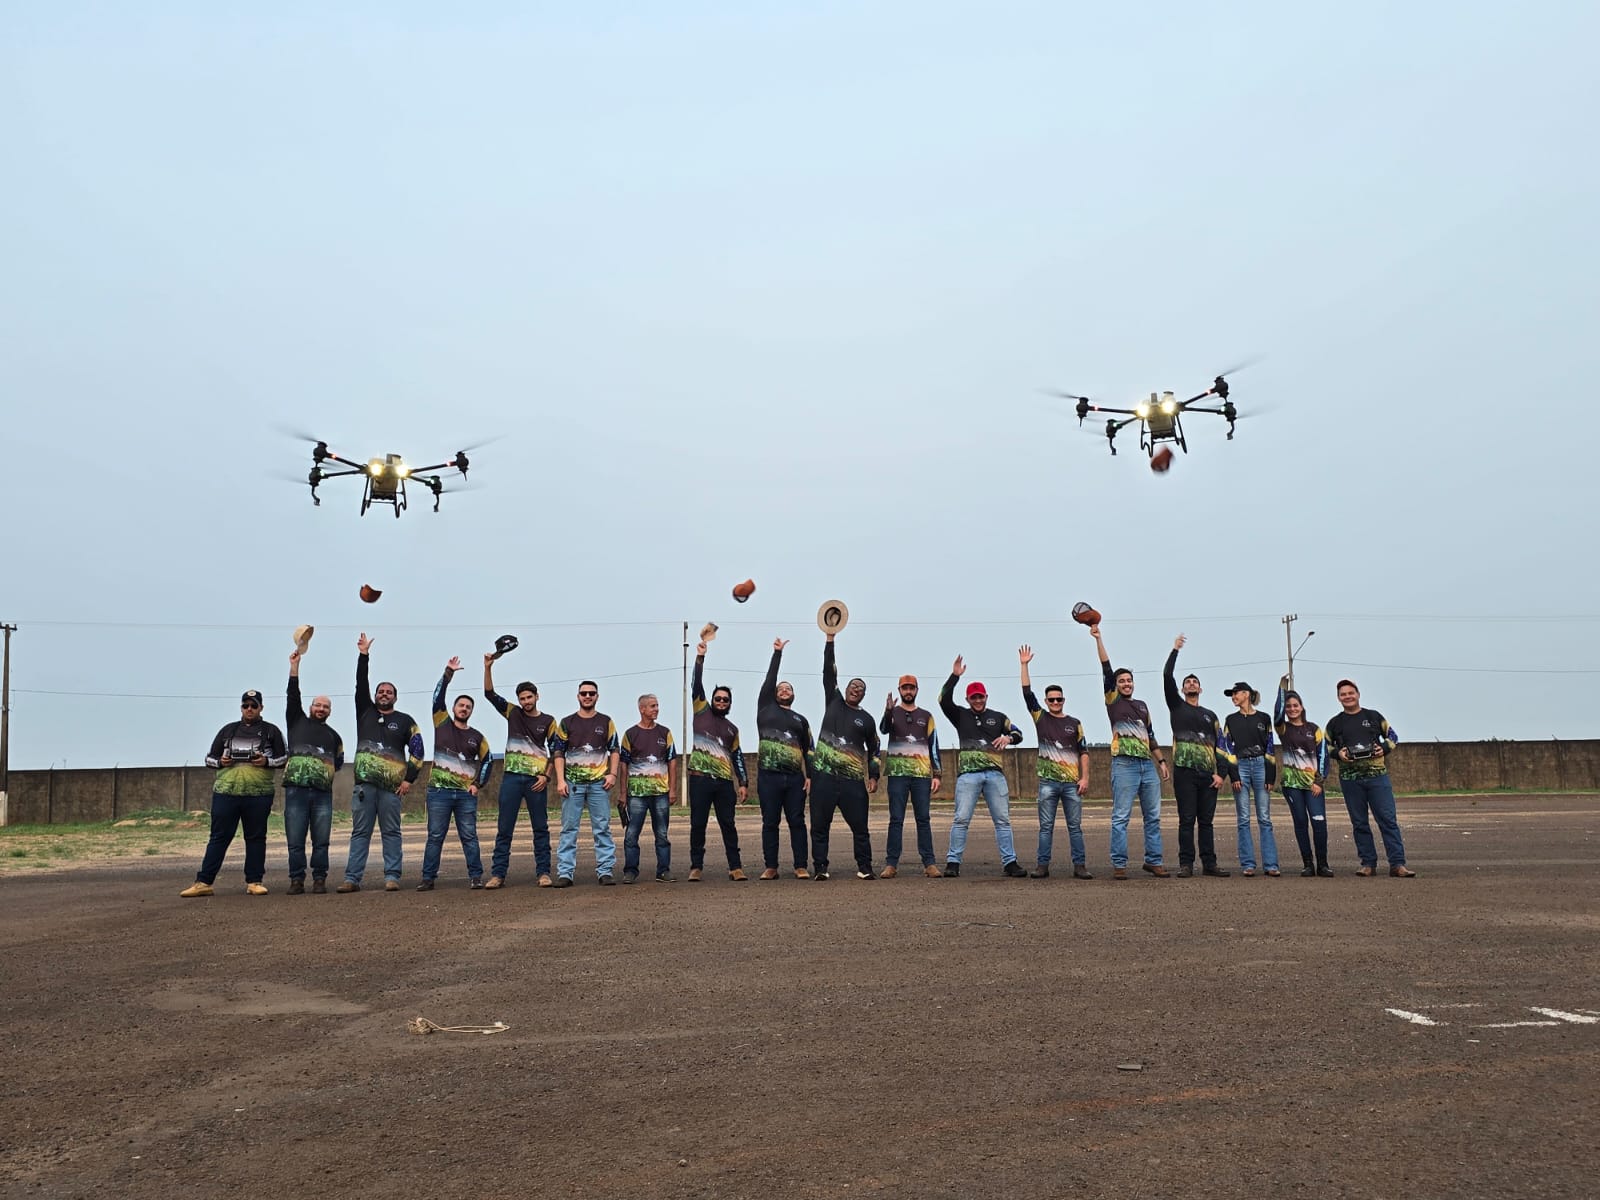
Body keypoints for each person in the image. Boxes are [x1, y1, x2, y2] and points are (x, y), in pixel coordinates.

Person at [338, 633, 424, 893]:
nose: (384, 694)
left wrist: (409, 779)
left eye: (389, 692)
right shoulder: (365, 712)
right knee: (360, 833)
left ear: (395, 697)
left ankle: (392, 876)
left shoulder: (406, 720)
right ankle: (352, 879)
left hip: (391, 789)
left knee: (391, 833)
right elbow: (360, 684)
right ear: (375, 695)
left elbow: (418, 750)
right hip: (364, 787)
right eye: (381, 691)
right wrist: (364, 655)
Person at [181, 690, 288, 897]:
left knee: (256, 838)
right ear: (241, 707)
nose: (249, 709)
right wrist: (222, 762)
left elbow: (283, 759)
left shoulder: (271, 731)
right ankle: (203, 882)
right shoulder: (227, 731)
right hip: (226, 792)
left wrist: (266, 762)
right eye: (246, 705)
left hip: (259, 794)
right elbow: (208, 760)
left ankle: (254, 881)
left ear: (261, 708)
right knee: (218, 837)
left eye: (254, 706)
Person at [1089, 623, 1170, 880]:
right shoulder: (1113, 702)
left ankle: (1153, 861)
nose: (1126, 683)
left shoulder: (1143, 706)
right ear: (1116, 685)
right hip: (1124, 765)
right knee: (1121, 817)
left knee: (1153, 817)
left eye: (1129, 680)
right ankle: (1120, 864)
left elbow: (1151, 736)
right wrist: (1098, 639)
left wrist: (1161, 761)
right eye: (1122, 681)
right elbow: (1106, 668)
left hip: (1147, 766)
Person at [939, 656, 1027, 878]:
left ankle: (1010, 862)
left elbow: (1018, 733)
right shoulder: (960, 715)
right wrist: (954, 677)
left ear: (986, 697)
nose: (977, 700)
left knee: (1003, 820)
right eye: (973, 697)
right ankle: (953, 862)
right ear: (968, 699)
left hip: (995, 776)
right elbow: (942, 699)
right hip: (968, 776)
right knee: (961, 819)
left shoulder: (998, 717)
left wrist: (1008, 739)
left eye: (980, 697)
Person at [810, 630, 881, 880]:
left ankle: (865, 867)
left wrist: (874, 776)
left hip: (852, 782)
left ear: (863, 694)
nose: (856, 689)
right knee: (819, 826)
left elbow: (874, 749)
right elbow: (829, 672)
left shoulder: (867, 719)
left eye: (860, 688)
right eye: (853, 686)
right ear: (846, 689)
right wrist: (830, 640)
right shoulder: (833, 701)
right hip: (823, 778)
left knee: (860, 827)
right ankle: (820, 868)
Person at [417, 658, 492, 890]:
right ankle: (428, 878)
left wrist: (477, 784)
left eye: (468, 707)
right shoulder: (441, 723)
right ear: (453, 709)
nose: (464, 709)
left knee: (469, 836)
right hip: (438, 793)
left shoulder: (477, 736)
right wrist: (448, 673)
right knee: (435, 837)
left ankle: (476, 877)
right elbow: (436, 697)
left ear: (471, 711)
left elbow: (488, 760)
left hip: (465, 795)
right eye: (461, 705)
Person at [1326, 679, 1413, 877]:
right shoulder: (1334, 723)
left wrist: (1381, 749)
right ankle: (1368, 863)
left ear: (1358, 694)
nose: (1347, 697)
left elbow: (1393, 737)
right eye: (1343, 694)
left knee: (1388, 820)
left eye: (1350, 693)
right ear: (1338, 698)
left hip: (1377, 777)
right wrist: (1339, 754)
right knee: (1359, 822)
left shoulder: (1373, 717)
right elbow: (1327, 747)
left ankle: (1398, 864)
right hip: (1350, 779)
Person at [483, 654, 556, 889]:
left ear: (537, 696)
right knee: (504, 827)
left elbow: (556, 752)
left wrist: (547, 776)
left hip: (536, 780)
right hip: (512, 778)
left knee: (540, 828)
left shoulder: (549, 721)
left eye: (529, 697)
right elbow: (489, 694)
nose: (526, 701)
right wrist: (488, 667)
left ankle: (543, 872)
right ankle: (498, 874)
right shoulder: (512, 713)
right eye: (522, 698)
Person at [1162, 635, 1232, 879]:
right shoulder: (1176, 707)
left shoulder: (1211, 715)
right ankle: (1186, 864)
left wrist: (1221, 774)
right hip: (1184, 773)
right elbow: (1166, 676)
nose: (1191, 684)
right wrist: (1175, 650)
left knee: (1206, 822)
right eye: (1187, 682)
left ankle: (1210, 864)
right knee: (1186, 820)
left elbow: (1222, 748)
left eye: (1195, 682)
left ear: (1200, 689)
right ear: (1182, 689)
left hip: (1208, 776)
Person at [1019, 645, 1092, 880]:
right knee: (1046, 827)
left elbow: (1084, 751)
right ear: (1046, 701)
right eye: (1051, 699)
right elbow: (1027, 693)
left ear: (1064, 700)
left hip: (1072, 783)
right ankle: (1042, 866)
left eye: (1059, 699)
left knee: (1075, 827)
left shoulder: (1075, 722)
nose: (1056, 702)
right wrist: (1024, 665)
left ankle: (1080, 865)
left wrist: (1085, 777)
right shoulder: (1041, 718)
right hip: (1048, 783)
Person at [282, 650, 345, 895]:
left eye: (325, 707)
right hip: (296, 792)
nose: (321, 709)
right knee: (295, 841)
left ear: (329, 711)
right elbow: (292, 695)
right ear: (310, 707)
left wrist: (320, 772)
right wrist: (294, 667)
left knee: (321, 841)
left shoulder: (334, 736)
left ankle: (320, 879)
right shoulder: (296, 720)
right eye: (317, 705)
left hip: (322, 795)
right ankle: (296, 880)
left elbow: (338, 763)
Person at [688, 640, 749, 881]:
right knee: (698, 824)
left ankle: (735, 867)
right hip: (699, 780)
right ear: (711, 699)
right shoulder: (700, 711)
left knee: (728, 824)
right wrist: (700, 658)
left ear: (730, 704)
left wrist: (743, 782)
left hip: (724, 783)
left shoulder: (732, 729)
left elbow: (738, 756)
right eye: (718, 698)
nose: (721, 702)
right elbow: (696, 684)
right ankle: (696, 867)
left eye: (725, 700)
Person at [550, 681, 621, 887]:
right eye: (583, 693)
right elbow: (558, 752)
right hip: (573, 784)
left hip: (599, 784)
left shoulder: (606, 722)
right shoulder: (566, 722)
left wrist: (613, 774)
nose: (587, 696)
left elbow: (614, 750)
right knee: (569, 828)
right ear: (578, 696)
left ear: (597, 696)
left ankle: (605, 871)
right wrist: (561, 780)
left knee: (602, 828)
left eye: (591, 693)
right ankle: (565, 873)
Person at [755, 638, 813, 880]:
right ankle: (771, 866)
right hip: (768, 777)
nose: (783, 690)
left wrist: (810, 776)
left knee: (797, 821)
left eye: (788, 688)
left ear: (794, 695)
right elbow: (770, 680)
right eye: (780, 689)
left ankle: (800, 865)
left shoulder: (801, 720)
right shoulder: (765, 708)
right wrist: (777, 654)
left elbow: (809, 750)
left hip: (794, 779)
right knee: (770, 822)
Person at [879, 674, 943, 878]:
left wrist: (937, 774)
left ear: (916, 690)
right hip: (897, 774)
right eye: (904, 688)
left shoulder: (927, 715)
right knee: (896, 819)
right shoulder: (893, 713)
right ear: (899, 690)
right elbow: (883, 729)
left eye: (911, 688)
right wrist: (888, 711)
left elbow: (934, 746)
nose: (908, 691)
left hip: (921, 775)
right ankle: (891, 864)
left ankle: (929, 863)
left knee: (923, 819)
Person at [1274, 675, 1333, 877]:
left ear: (1302, 706)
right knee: (1300, 822)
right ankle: (1308, 864)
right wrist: (1282, 689)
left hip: (1313, 786)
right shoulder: (1283, 729)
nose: (1291, 709)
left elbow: (1324, 756)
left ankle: (1323, 864)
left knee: (1318, 822)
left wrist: (1319, 781)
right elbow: (1277, 714)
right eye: (1289, 706)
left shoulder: (1314, 729)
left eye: (1295, 705)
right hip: (1291, 786)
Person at [619, 693, 678, 884]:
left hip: (660, 793)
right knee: (631, 833)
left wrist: (672, 789)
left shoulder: (665, 733)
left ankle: (663, 870)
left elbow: (672, 762)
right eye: (652, 706)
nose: (656, 709)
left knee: (662, 834)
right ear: (642, 709)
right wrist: (623, 793)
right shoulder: (630, 734)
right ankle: (630, 871)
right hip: (636, 794)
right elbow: (623, 765)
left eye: (657, 706)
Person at [1226, 681, 1281, 877]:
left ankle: (1271, 864)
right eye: (1232, 695)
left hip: (1260, 766)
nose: (1233, 697)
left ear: (1246, 694)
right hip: (1240, 766)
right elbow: (1228, 749)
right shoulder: (1230, 719)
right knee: (1243, 818)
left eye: (1235, 694)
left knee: (1264, 818)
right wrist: (1233, 774)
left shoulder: (1264, 718)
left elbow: (1270, 746)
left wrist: (1271, 773)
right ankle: (1248, 864)